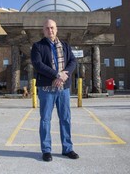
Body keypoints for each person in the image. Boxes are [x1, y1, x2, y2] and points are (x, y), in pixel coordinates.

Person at [31, 19, 79, 162]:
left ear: (56, 29)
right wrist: (56, 74)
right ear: (43, 30)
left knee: (65, 118)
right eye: (47, 28)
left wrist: (64, 74)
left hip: (63, 88)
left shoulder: (65, 45)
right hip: (46, 90)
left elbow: (73, 62)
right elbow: (38, 65)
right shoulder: (37, 46)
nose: (50, 30)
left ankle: (67, 148)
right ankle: (46, 150)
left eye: (52, 28)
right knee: (45, 119)